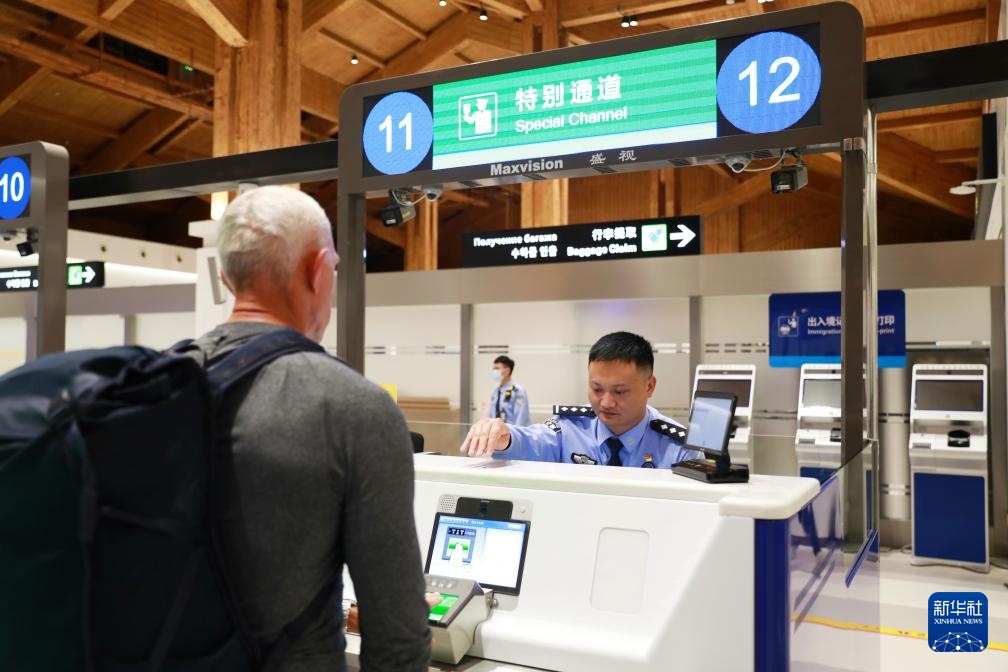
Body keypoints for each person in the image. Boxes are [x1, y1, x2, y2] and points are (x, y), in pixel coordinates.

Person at [193, 186, 432, 671]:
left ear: (225, 276)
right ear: (318, 270)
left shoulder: (153, 386)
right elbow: (396, 631)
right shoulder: (354, 408)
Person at [461, 331, 701, 469]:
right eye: (597, 389)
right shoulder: (570, 428)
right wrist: (504, 436)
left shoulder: (679, 449)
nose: (606, 403)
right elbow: (534, 441)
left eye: (620, 392)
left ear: (649, 386)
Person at [487, 355, 531, 426]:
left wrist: (515, 433)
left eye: (497, 369)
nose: (494, 372)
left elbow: (521, 417)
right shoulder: (496, 392)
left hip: (511, 431)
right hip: (497, 431)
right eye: (493, 369)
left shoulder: (517, 391)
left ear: (507, 371)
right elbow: (491, 415)